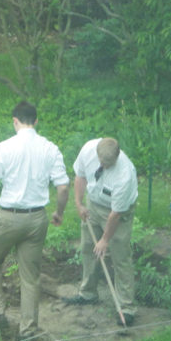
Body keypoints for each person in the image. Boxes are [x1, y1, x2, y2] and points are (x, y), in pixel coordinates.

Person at [0, 101, 69, 341]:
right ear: (36, 121)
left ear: (15, 121)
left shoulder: (5, 147)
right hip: (37, 219)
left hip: (8, 217)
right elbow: (63, 187)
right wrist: (59, 212)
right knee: (30, 277)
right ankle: (28, 331)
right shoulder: (50, 149)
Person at [65, 138, 138, 325]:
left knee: (120, 256)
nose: (104, 166)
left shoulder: (124, 176)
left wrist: (105, 239)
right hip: (94, 203)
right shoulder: (88, 149)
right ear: (97, 154)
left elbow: (115, 215)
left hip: (117, 213)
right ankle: (88, 293)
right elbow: (80, 176)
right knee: (89, 247)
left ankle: (126, 307)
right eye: (102, 162)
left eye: (109, 164)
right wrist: (79, 203)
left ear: (117, 156)